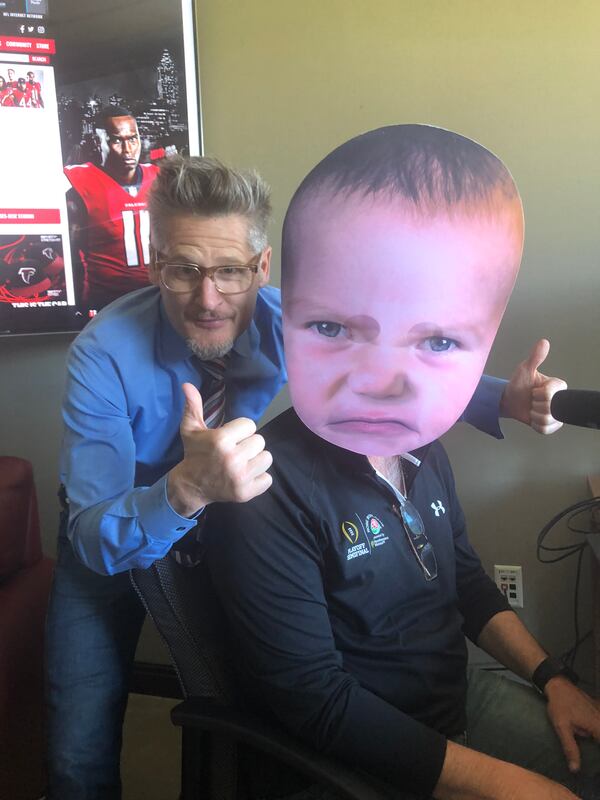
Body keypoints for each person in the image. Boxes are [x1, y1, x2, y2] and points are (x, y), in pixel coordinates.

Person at [45, 152, 563, 800]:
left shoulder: (289, 320)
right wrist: (186, 490)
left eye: (229, 271)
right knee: (78, 746)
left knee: (243, 675)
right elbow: (94, 536)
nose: (209, 299)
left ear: (261, 267)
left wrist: (500, 399)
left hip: (229, 525)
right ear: (157, 266)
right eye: (184, 271)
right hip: (115, 540)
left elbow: (382, 367)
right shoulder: (103, 356)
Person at [205, 125, 599, 800]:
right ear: (286, 318)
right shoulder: (262, 493)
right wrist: (507, 786)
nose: (381, 381)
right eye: (332, 328)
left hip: (456, 703)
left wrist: (552, 678)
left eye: (439, 340)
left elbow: (467, 585)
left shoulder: (419, 447)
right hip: (358, 755)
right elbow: (318, 705)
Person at [64, 105, 159, 313]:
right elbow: (71, 258)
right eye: (117, 140)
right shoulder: (80, 185)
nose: (128, 150)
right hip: (105, 304)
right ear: (99, 142)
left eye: (133, 139)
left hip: (156, 300)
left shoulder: (160, 179)